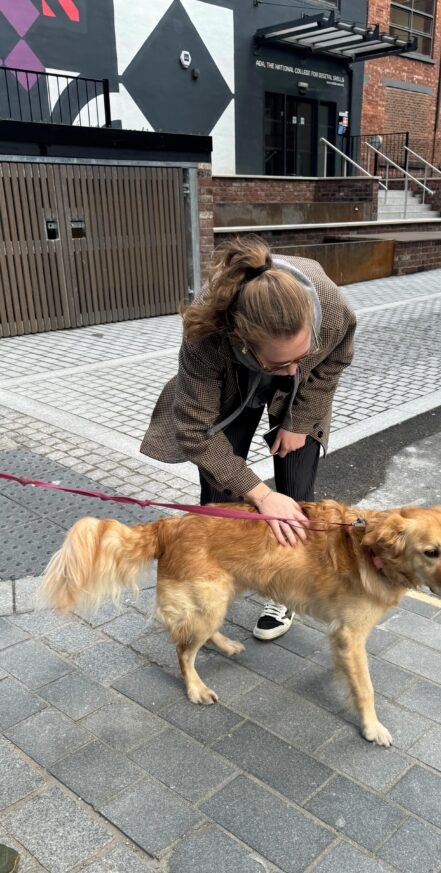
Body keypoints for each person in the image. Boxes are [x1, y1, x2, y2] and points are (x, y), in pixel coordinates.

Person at [141, 235, 356, 640]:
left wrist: (300, 418)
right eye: (281, 362)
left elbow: (336, 357)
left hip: (302, 401)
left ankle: (285, 590)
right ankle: (219, 574)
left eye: (301, 355)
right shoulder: (206, 336)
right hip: (230, 388)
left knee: (296, 499)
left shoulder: (328, 305)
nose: (293, 369)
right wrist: (259, 493)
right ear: (240, 340)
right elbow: (195, 433)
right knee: (222, 501)